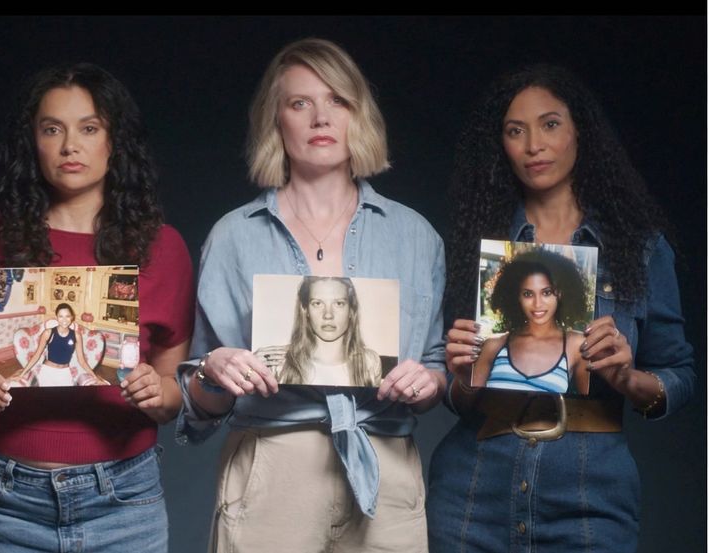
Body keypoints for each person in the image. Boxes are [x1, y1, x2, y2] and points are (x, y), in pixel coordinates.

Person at [177, 38, 445, 552]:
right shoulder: (233, 236)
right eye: (301, 103)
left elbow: (435, 366)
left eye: (338, 101)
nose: (321, 117)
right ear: (275, 121)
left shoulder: (416, 235)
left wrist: (428, 381)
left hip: (385, 469)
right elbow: (198, 403)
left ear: (358, 116)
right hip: (271, 467)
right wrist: (215, 370)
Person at [427, 64, 695, 552]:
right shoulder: (476, 248)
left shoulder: (640, 250)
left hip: (590, 507)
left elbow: (680, 375)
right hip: (471, 500)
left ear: (580, 133)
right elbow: (461, 396)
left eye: (550, 124)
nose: (534, 145)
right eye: (515, 131)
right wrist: (462, 374)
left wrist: (630, 379)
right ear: (501, 145)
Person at [0, 62, 194, 552]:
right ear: (31, 141)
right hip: (3, 499)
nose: (69, 146)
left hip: (123, 499)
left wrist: (155, 390)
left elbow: (175, 392)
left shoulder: (163, 248)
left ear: (114, 141)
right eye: (52, 129)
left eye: (89, 128)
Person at [470, 249, 589, 394]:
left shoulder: (577, 345)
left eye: (547, 292)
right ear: (517, 297)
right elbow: (469, 405)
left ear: (561, 293)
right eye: (527, 294)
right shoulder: (493, 346)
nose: (538, 304)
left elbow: (586, 410)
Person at [267, 276, 381, 387]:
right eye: (317, 303)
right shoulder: (279, 364)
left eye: (339, 303)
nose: (328, 315)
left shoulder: (370, 362)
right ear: (305, 310)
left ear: (351, 310)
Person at [8, 302, 107, 387]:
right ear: (57, 317)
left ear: (72, 317)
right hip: (47, 372)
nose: (64, 320)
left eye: (67, 316)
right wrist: (22, 374)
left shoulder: (76, 335)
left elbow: (82, 361)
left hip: (65, 373)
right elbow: (36, 356)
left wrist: (95, 377)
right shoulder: (48, 332)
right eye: (61, 316)